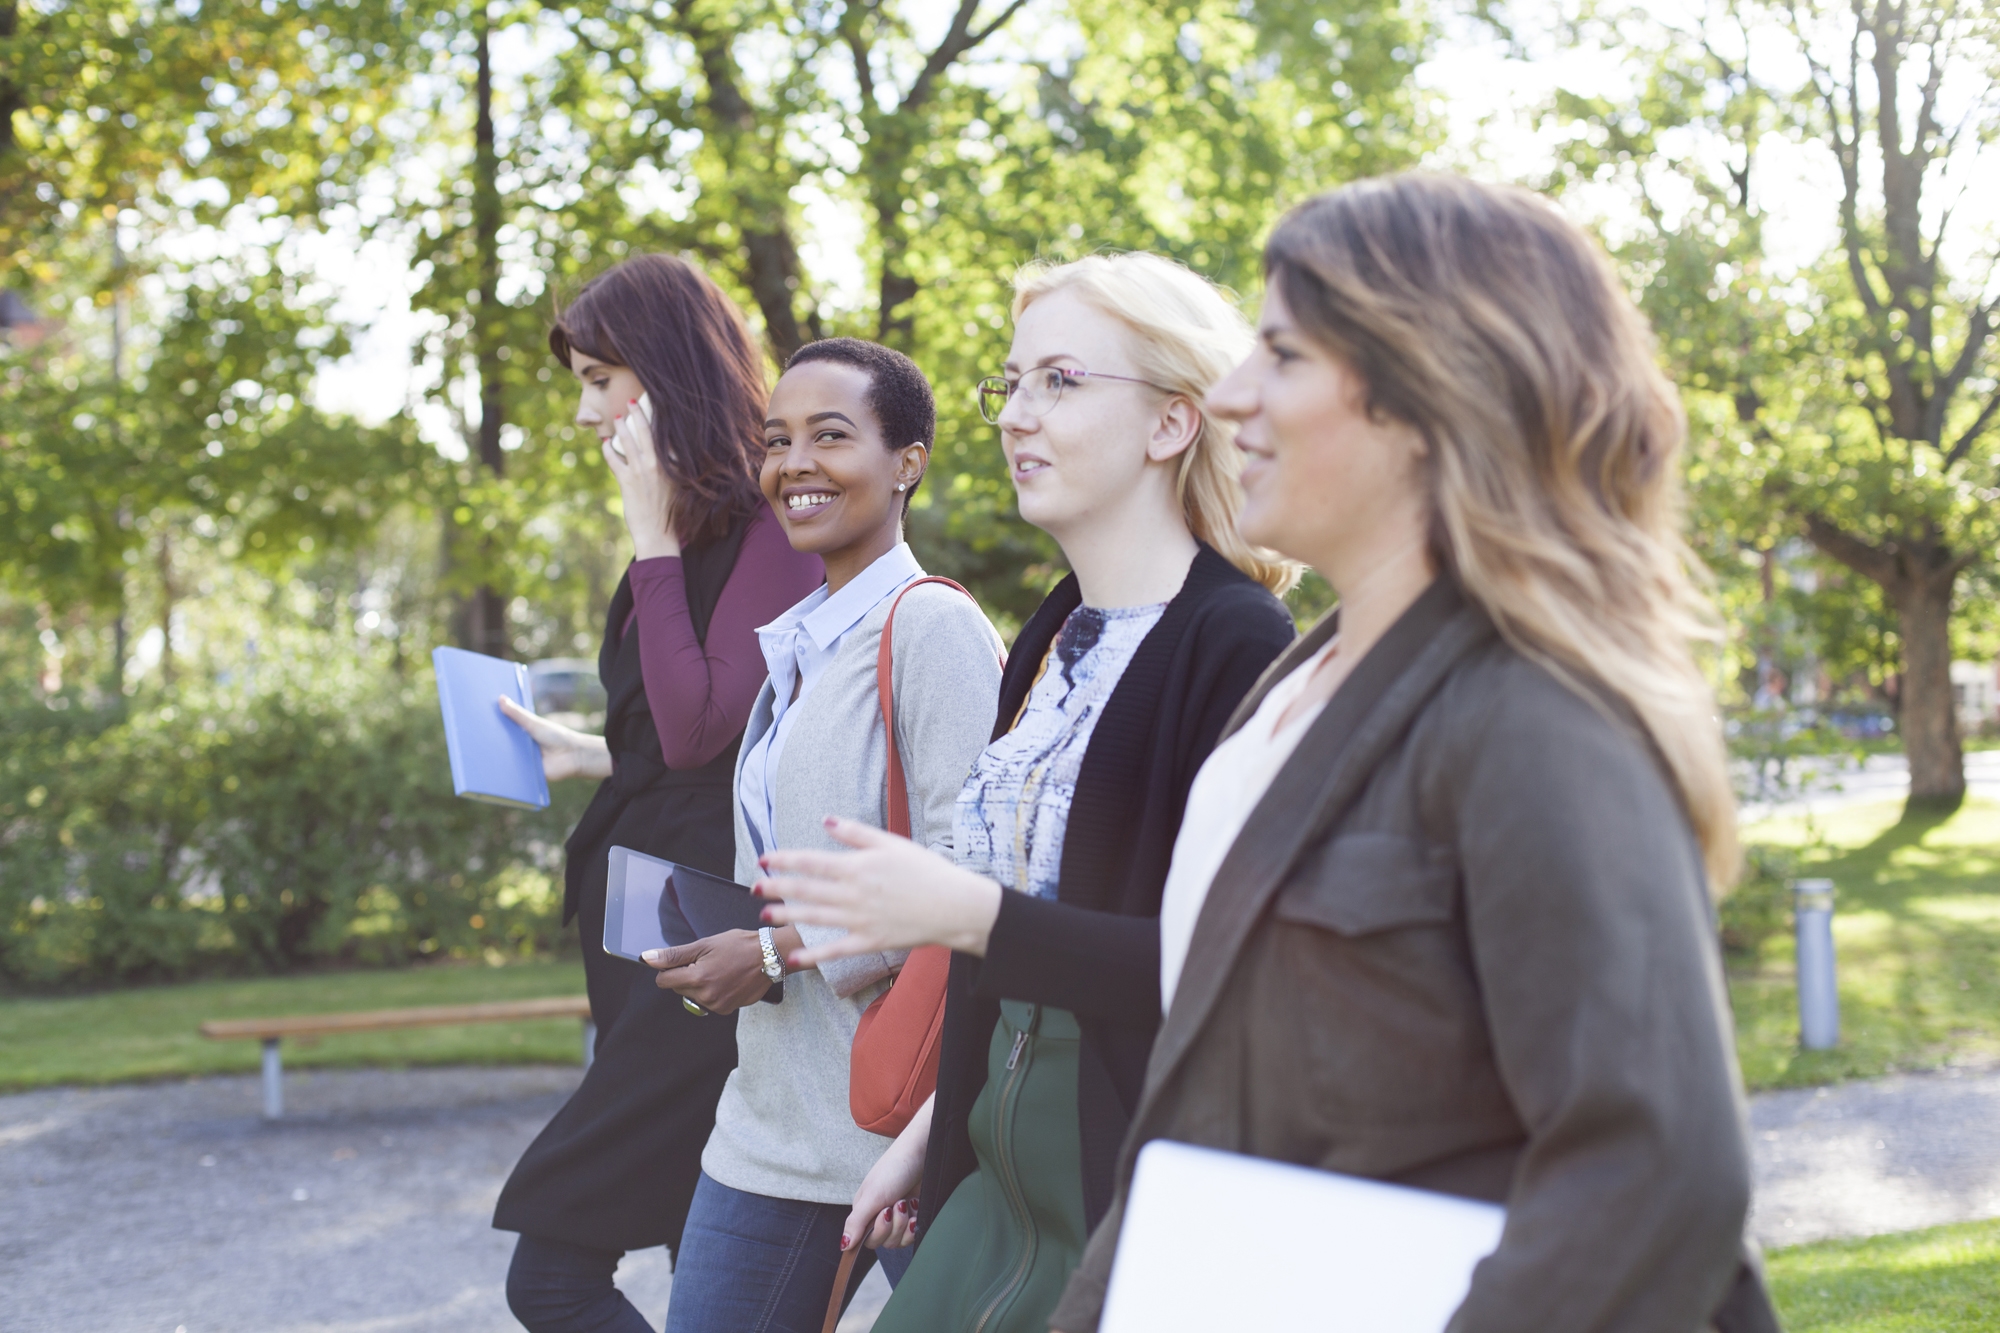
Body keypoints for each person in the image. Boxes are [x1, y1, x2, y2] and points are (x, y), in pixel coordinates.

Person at [1042, 173, 1775, 1332]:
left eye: (1279, 354)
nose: (1231, 394)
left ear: (1424, 392)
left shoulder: (1534, 713)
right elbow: (1199, 1124)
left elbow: (1652, 1175)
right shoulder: (1291, 690)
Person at [751, 254, 1299, 1333]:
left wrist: (958, 912)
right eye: (1012, 386)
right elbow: (993, 965)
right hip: (986, 1163)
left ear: (1171, 425)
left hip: (1125, 1185)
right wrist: (926, 1134)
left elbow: (1217, 971)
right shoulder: (1050, 631)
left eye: (1060, 380)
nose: (1014, 417)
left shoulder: (1235, 642)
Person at [488, 254, 824, 1333]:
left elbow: (700, 728)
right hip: (644, 928)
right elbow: (677, 743)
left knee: (552, 1276)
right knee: (706, 1268)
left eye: (600, 379)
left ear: (667, 376)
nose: (587, 413)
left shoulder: (766, 530)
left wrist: (648, 535)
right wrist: (586, 750)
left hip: (702, 943)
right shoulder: (687, 533)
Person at [645, 337, 1007, 1333]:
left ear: (908, 461)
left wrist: (774, 949)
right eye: (776, 440)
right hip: (766, 1118)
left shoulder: (930, 629)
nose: (792, 463)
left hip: (901, 1119)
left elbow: (975, 875)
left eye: (829, 436)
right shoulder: (798, 647)